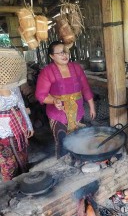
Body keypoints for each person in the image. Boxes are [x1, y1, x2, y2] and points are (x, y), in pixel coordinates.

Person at [35, 41, 96, 159]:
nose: (65, 55)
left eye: (66, 52)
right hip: (58, 114)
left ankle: (80, 160)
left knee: (79, 138)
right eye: (60, 53)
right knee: (63, 142)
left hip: (78, 111)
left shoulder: (76, 68)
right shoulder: (47, 71)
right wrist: (54, 101)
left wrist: (92, 106)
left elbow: (85, 88)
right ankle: (65, 163)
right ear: (52, 56)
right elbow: (41, 95)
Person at [0, 50, 34, 181]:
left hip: (18, 128)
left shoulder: (13, 84)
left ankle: (26, 184)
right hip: (2, 134)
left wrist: (29, 125)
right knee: (8, 166)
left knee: (23, 160)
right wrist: (4, 90)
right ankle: (12, 192)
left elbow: (20, 104)